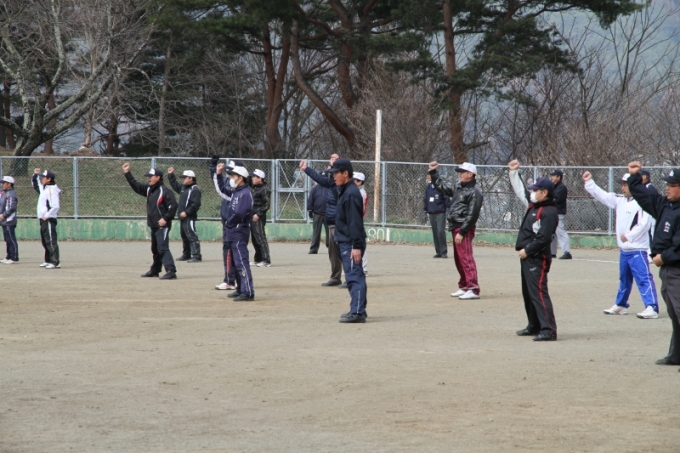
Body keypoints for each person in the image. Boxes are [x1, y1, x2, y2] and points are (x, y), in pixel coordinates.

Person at [583, 171, 659, 319]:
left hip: (638, 249)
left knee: (643, 278)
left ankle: (652, 307)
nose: (622, 187)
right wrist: (589, 182)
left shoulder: (643, 202)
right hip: (624, 250)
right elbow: (602, 195)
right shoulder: (619, 200)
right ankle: (621, 305)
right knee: (624, 279)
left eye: (626, 185)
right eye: (622, 184)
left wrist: (629, 236)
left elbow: (645, 224)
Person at [627, 161, 680, 369]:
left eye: (673, 185)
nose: (667, 188)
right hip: (668, 270)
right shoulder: (666, 204)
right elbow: (643, 196)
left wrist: (664, 257)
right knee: (675, 313)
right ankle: (676, 355)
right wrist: (634, 176)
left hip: (675, 268)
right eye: (667, 184)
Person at [428, 161, 483, 300]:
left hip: (463, 227)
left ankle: (473, 288)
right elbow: (442, 187)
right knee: (459, 259)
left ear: (470, 174)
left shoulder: (475, 192)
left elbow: (472, 215)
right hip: (455, 225)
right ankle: (464, 286)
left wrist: (462, 231)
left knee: (466, 258)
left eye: (462, 172)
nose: (460, 174)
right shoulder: (458, 187)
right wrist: (433, 172)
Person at [328, 158, 368, 323]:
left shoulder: (350, 194)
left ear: (346, 174)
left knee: (354, 276)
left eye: (336, 173)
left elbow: (354, 222)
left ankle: (357, 312)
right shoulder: (345, 190)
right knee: (353, 275)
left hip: (351, 242)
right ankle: (357, 309)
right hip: (346, 240)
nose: (333, 176)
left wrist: (356, 246)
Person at [123, 164, 178, 280]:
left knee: (162, 248)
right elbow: (136, 186)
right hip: (154, 224)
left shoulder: (165, 191)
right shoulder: (149, 189)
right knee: (155, 249)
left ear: (158, 177)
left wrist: (165, 218)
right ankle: (155, 270)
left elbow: (173, 206)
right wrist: (127, 173)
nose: (149, 178)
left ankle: (171, 271)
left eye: (151, 176)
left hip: (162, 225)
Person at [300, 154, 344, 287]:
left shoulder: (348, 187)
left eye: (335, 173)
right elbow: (320, 179)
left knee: (345, 250)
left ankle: (351, 278)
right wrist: (306, 169)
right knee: (333, 253)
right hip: (331, 221)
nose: (332, 176)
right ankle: (335, 277)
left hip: (341, 222)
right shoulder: (332, 182)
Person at [215, 162, 255, 301]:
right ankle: (240, 289)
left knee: (241, 262)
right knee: (235, 262)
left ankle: (247, 292)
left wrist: (228, 222)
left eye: (233, 176)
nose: (230, 178)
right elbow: (221, 189)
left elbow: (240, 213)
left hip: (239, 231)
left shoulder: (245, 193)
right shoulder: (237, 191)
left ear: (240, 177)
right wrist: (218, 174)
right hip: (233, 231)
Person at [210, 157, 238, 291]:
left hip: (234, 226)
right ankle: (235, 280)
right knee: (233, 253)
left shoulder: (239, 189)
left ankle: (230, 281)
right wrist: (216, 169)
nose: (229, 175)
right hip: (229, 223)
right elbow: (218, 184)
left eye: (232, 172)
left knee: (231, 253)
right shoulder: (231, 183)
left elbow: (220, 189)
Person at [167, 168, 202, 263]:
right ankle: (186, 254)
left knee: (191, 235)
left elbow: (196, 204)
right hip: (183, 217)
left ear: (191, 178)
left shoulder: (195, 189)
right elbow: (175, 185)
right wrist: (171, 175)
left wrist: (187, 212)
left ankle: (196, 255)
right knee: (184, 236)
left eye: (185, 178)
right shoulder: (184, 188)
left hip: (189, 217)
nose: (183, 179)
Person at [31, 169, 61, 269]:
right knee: (45, 241)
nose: (42, 179)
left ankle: (55, 261)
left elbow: (55, 206)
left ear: (49, 179)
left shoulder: (52, 190)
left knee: (51, 240)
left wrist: (47, 215)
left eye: (43, 177)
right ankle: (48, 260)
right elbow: (36, 185)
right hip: (43, 219)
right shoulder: (44, 189)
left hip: (49, 219)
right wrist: (35, 175)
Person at [424, 173, 450, 259]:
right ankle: (438, 251)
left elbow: (446, 198)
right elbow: (425, 199)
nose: (428, 176)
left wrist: (448, 209)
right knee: (435, 232)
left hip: (440, 212)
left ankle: (443, 251)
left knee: (440, 231)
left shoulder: (441, 186)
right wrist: (425, 210)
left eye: (430, 175)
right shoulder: (428, 187)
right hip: (432, 212)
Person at [250, 169, 271, 267]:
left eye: (254, 177)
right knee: (255, 239)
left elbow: (266, 205)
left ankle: (266, 260)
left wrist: (258, 214)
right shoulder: (254, 188)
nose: (252, 178)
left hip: (258, 217)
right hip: (252, 216)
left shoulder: (264, 189)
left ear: (260, 178)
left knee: (261, 238)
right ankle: (258, 259)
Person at [550, 169, 572, 259]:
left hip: (558, 213)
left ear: (559, 177)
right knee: (552, 233)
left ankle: (567, 252)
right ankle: (552, 252)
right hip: (552, 212)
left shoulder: (562, 187)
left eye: (554, 176)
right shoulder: (553, 186)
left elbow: (556, 199)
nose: (552, 177)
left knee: (560, 232)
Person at [353, 172, 369, 276]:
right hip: (354, 220)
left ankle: (364, 268)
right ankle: (355, 267)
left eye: (356, 180)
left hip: (357, 220)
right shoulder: (355, 191)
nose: (353, 182)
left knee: (359, 244)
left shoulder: (361, 193)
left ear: (360, 182)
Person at [0, 176, 18, 264]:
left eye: (4, 183)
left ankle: (13, 257)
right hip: (5, 221)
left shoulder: (11, 194)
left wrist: (4, 215)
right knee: (7, 239)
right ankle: (9, 256)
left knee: (11, 239)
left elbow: (12, 207)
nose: (2, 184)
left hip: (9, 220)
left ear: (9, 184)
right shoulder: (5, 193)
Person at [307, 182, 329, 255]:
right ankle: (314, 248)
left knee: (330, 233)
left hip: (329, 214)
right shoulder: (315, 188)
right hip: (317, 213)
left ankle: (331, 248)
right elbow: (310, 199)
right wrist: (310, 209)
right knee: (316, 232)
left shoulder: (331, 187)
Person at [641, 169, 657, 263]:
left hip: (652, 216)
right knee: (647, 234)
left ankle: (652, 254)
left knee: (652, 234)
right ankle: (649, 253)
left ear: (644, 177)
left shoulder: (650, 188)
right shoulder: (645, 187)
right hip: (647, 215)